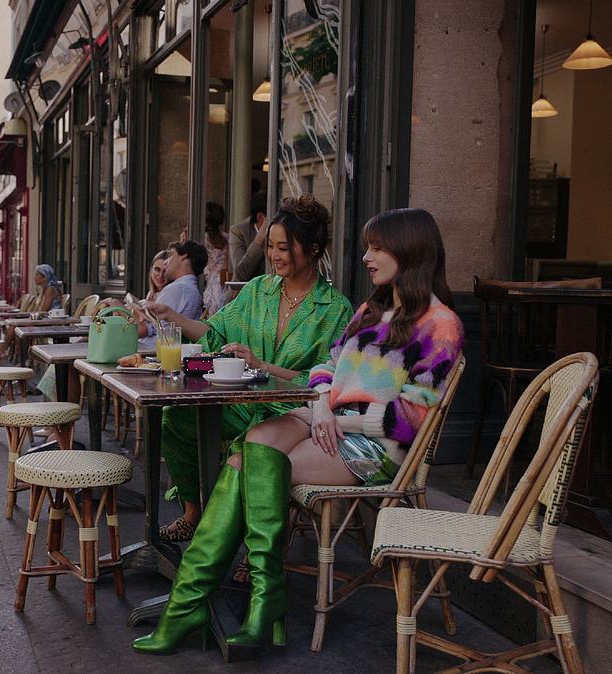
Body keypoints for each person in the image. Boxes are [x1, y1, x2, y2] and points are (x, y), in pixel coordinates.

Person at [134, 207, 463, 656]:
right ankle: (224, 602)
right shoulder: (372, 310)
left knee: (254, 464)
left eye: (376, 248)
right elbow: (326, 367)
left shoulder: (440, 325)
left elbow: (412, 418)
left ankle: (221, 603)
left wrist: (333, 416)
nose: (366, 257)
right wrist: (322, 403)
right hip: (326, 420)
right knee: (252, 443)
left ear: (410, 250)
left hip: (374, 444)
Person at [142, 195, 352, 545]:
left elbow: (323, 384)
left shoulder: (335, 310)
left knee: (248, 450)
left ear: (313, 249)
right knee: (175, 419)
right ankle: (196, 513)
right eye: (270, 246)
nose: (274, 256)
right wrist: (173, 318)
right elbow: (217, 332)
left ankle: (256, 542)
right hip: (245, 402)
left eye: (284, 247)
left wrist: (261, 365)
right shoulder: (258, 291)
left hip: (294, 413)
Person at [134, 240, 207, 349]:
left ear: (183, 257)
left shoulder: (178, 288)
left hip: (153, 351)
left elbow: (151, 329)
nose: (166, 262)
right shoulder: (189, 289)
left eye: (171, 255)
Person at [228, 191, 268, 283]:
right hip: (244, 291)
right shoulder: (238, 231)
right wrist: (259, 241)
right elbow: (241, 273)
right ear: (261, 217)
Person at [203, 202, 230, 315]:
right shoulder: (228, 239)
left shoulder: (202, 239)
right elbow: (226, 267)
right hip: (221, 284)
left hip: (209, 284)